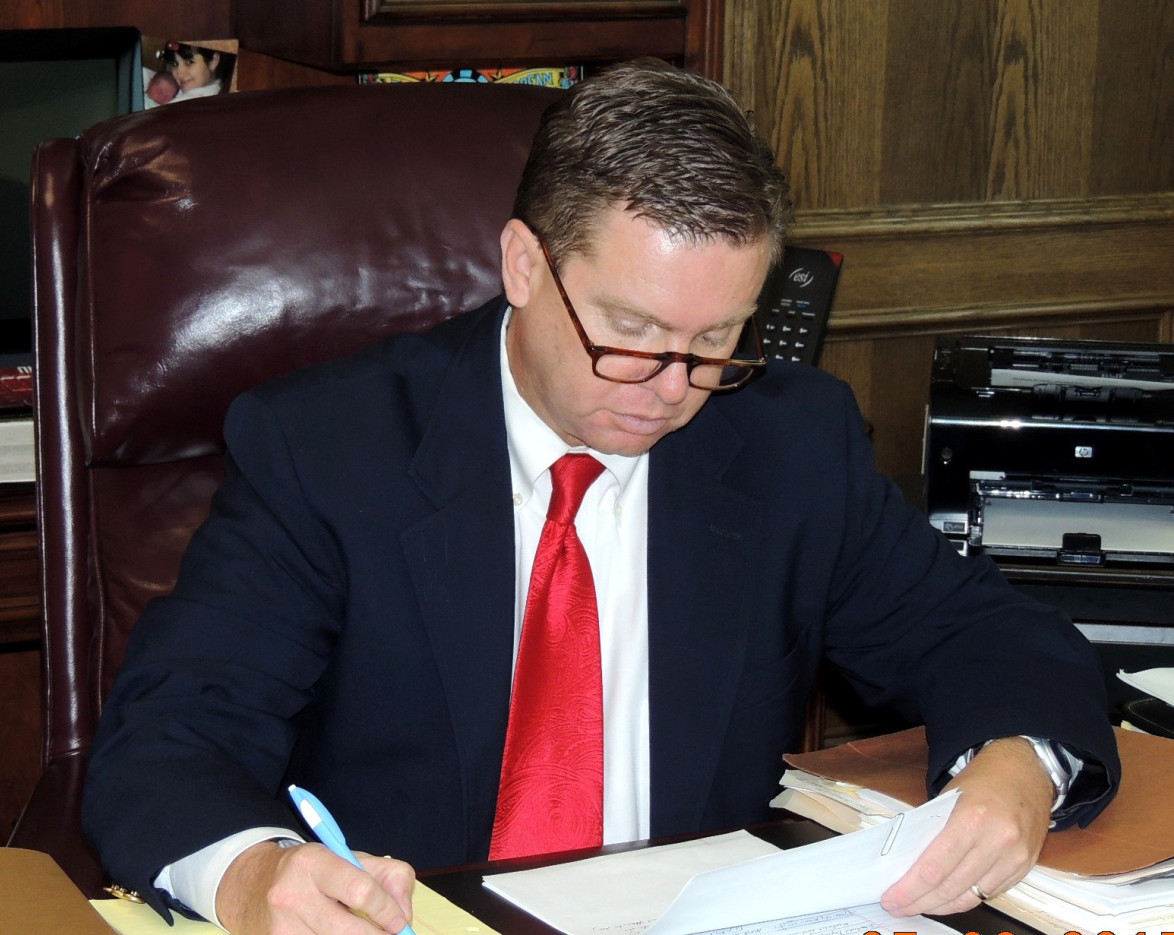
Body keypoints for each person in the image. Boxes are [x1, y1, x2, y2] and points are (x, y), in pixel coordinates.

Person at [83, 59, 1120, 935]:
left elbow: (982, 632)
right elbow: (174, 736)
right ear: (524, 264)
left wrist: (1019, 765)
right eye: (630, 331)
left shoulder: (788, 443)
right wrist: (255, 874)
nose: (672, 387)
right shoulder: (329, 449)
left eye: (716, 340)